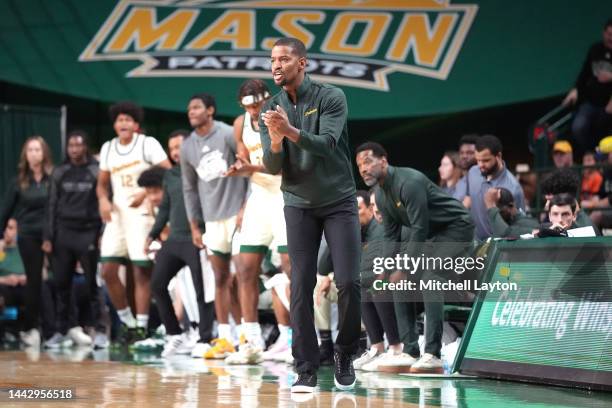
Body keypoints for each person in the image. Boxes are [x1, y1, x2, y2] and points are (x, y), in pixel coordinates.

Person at [260, 37, 361, 392]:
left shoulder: (331, 97)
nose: (276, 65)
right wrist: (275, 140)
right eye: (272, 59)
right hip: (299, 203)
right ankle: (304, 367)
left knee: (348, 282)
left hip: (338, 201)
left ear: (302, 63)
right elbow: (272, 167)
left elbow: (327, 145)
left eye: (284, 59)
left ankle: (345, 352)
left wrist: (287, 130)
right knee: (301, 285)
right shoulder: (270, 107)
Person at [355, 141, 474, 374]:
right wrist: (384, 270)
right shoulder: (379, 194)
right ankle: (409, 351)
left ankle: (432, 354)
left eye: (367, 161)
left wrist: (405, 267)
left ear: (383, 160)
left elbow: (418, 228)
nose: (363, 169)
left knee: (430, 275)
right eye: (359, 165)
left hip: (456, 229)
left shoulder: (408, 182)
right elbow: (391, 235)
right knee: (399, 282)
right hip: (432, 235)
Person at [224, 79, 292, 365]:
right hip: (258, 198)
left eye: (258, 104)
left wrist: (250, 168)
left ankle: (295, 339)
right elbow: (244, 161)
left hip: (285, 194)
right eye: (249, 106)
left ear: (267, 99)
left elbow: (285, 163)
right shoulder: (240, 124)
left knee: (291, 270)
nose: (254, 110)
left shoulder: (280, 115)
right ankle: (251, 341)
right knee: (244, 268)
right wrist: (241, 173)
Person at [180, 93, 248, 359]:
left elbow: (248, 169)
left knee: (242, 276)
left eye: (196, 107)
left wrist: (245, 208)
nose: (191, 112)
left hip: (237, 213)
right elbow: (189, 188)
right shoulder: (187, 147)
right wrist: (195, 226)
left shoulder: (229, 133)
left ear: (210, 110)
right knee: (220, 279)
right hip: (211, 220)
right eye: (189, 108)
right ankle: (225, 339)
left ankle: (248, 336)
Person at [96, 101, 171, 343]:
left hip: (141, 213)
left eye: (128, 119)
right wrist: (103, 201)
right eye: (120, 120)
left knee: (141, 271)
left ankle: (141, 325)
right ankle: (127, 321)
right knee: (107, 270)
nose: (124, 123)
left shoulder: (147, 144)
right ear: (115, 124)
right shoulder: (108, 148)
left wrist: (145, 192)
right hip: (117, 215)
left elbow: (169, 171)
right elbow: (101, 184)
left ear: (136, 124)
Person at [143, 131, 215, 358]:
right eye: (171, 148)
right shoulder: (170, 175)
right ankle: (175, 335)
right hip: (174, 239)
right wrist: (153, 234)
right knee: (157, 284)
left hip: (197, 238)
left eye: (179, 146)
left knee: (202, 289)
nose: (175, 151)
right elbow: (165, 207)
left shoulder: (202, 169)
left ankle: (205, 338)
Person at [43, 130, 105, 348]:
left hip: (88, 232)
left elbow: (104, 203)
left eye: (78, 145)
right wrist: (48, 236)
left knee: (92, 284)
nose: (74, 149)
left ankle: (100, 330)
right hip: (63, 233)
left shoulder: (96, 171)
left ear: (85, 147)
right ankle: (62, 330)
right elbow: (51, 205)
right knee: (61, 284)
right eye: (71, 145)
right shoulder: (60, 172)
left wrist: (101, 234)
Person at [0, 136, 53, 348]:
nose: (34, 153)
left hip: (53, 234)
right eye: (30, 150)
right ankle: (31, 328)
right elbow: (5, 211)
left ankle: (57, 329)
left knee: (56, 280)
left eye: (37, 149)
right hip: (29, 234)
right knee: (34, 280)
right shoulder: (18, 181)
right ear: (25, 155)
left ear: (44, 153)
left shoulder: (53, 178)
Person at [350, 190, 408, 373]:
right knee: (363, 288)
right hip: (394, 280)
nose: (377, 211)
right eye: (375, 206)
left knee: (376, 287)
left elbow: (378, 268)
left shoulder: (385, 228)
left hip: (415, 281)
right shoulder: (366, 230)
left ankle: (396, 348)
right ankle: (378, 347)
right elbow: (325, 264)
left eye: (376, 205)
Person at [463, 135, 525, 240]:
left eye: (485, 160)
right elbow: (468, 200)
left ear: (499, 156)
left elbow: (519, 226)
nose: (480, 165)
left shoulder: (513, 188)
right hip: (474, 245)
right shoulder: (473, 172)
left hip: (499, 249)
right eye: (478, 160)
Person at [563, 19, 612, 153]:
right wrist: (575, 89)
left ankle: (602, 155)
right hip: (591, 102)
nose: (610, 37)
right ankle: (592, 154)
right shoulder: (595, 49)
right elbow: (584, 73)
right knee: (578, 127)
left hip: (609, 105)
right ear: (604, 33)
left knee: (603, 129)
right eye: (608, 34)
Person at [0, 219, 27, 331]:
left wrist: (26, 277)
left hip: (24, 286)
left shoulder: (25, 248)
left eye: (11, 228)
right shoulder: (1, 249)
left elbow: (41, 272)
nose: (7, 231)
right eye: (5, 228)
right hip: (3, 286)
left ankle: (32, 330)